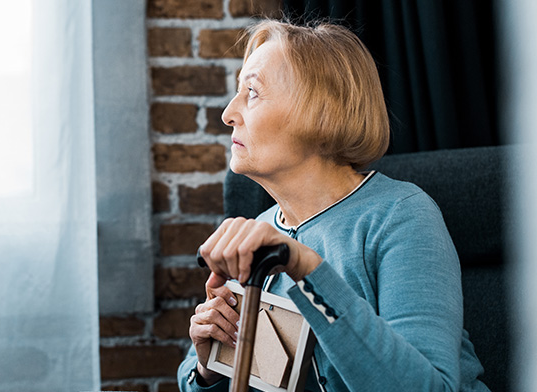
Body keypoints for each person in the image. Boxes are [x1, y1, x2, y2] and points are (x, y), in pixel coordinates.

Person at [177, 20, 489, 392]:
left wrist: (304, 266)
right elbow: (201, 379)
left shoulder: (402, 216)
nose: (228, 112)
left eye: (252, 92)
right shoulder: (258, 232)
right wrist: (207, 367)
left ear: (322, 110)